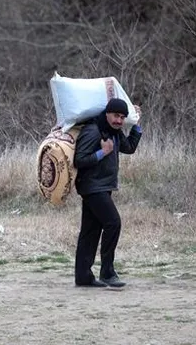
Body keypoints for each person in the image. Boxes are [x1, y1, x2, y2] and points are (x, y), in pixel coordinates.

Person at [73, 98, 142, 288]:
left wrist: (136, 126)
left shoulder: (114, 132)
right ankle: (107, 272)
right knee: (113, 223)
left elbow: (129, 148)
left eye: (122, 117)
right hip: (92, 187)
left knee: (90, 231)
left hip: (103, 186)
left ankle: (83, 277)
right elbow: (79, 160)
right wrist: (101, 153)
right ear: (107, 113)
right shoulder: (93, 130)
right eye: (116, 116)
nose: (119, 120)